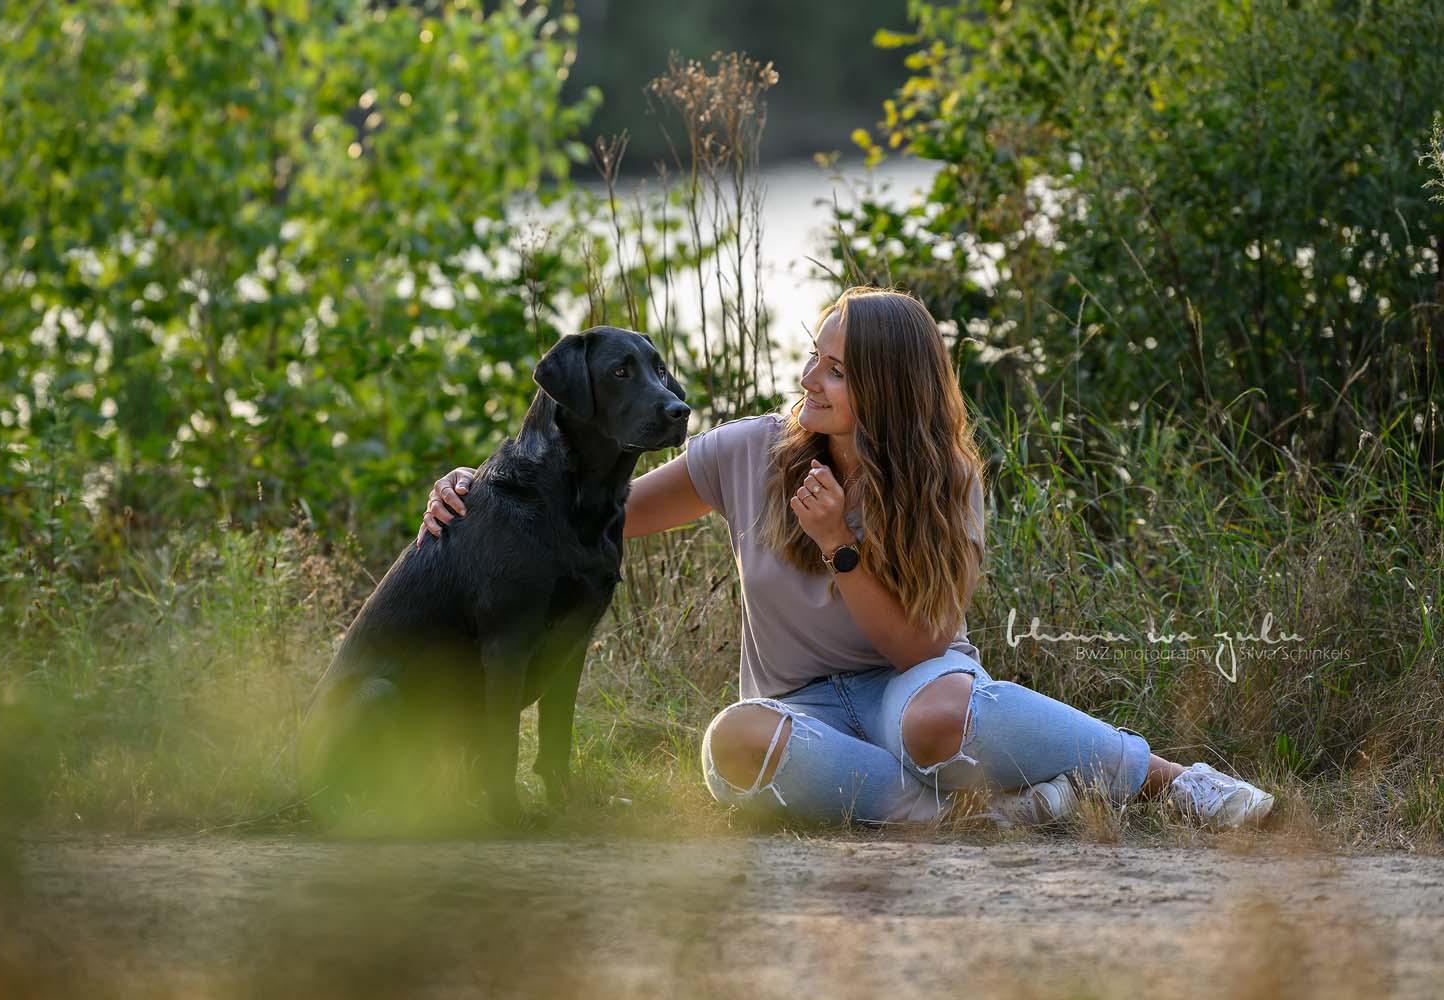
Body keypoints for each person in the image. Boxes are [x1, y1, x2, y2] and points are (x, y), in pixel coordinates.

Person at [418, 286, 1275, 831]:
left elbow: (917, 649)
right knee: (730, 744)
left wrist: (840, 547)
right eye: (814, 360)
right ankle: (984, 818)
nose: (808, 381)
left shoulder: (949, 482)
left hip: (910, 688)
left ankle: (1169, 781)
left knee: (935, 720)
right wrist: (484, 490)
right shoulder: (748, 453)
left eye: (834, 370)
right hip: (798, 710)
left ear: (887, 388)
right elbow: (593, 518)